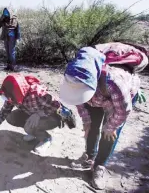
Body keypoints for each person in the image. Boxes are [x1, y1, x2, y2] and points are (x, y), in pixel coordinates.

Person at [59, 46, 147, 190]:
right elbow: (78, 100)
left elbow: (123, 110)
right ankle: (89, 157)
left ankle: (100, 166)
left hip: (118, 101)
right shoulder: (74, 77)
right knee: (92, 127)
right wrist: (86, 121)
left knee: (109, 134)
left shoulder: (114, 82)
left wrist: (110, 127)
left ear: (92, 83)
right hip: (97, 97)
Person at [0, 73, 76, 154]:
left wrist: (39, 114)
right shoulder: (13, 95)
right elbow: (4, 111)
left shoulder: (36, 93)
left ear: (16, 90)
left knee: (28, 126)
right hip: (32, 113)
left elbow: (57, 105)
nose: (7, 98)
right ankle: (34, 132)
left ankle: (46, 139)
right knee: (11, 117)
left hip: (52, 117)